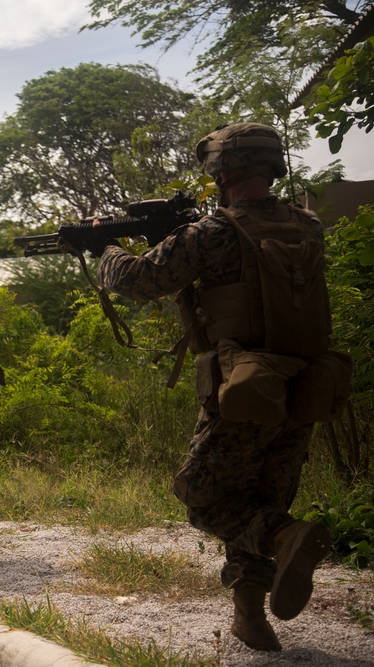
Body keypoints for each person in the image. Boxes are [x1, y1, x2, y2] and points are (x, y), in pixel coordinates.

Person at [93, 123, 334, 652]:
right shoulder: (309, 226)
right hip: (304, 386)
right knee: (262, 493)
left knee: (203, 497)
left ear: (222, 171)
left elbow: (139, 280)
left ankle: (284, 535)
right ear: (272, 168)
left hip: (244, 387)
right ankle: (251, 617)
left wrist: (104, 247)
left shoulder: (214, 231)